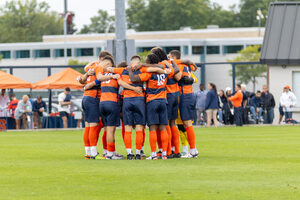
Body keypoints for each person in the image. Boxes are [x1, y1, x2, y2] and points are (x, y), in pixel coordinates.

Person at [130, 52, 173, 160]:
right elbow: (170, 70)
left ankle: (154, 154)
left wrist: (135, 68)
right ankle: (164, 154)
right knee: (163, 127)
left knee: (153, 129)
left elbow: (135, 79)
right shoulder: (164, 71)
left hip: (152, 101)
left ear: (149, 62)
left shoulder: (149, 73)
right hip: (163, 101)